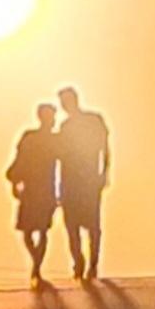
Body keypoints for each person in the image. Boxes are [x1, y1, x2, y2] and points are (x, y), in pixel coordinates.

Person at [57, 86, 110, 281]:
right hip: (70, 180)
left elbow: (105, 147)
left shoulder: (94, 120)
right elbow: (60, 158)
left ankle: (93, 264)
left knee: (93, 225)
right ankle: (78, 262)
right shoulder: (65, 126)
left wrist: (104, 172)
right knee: (72, 225)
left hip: (88, 179)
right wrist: (58, 185)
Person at [6, 101, 59, 285]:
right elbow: (19, 160)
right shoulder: (29, 137)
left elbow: (67, 165)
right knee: (27, 231)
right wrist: (14, 182)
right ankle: (36, 261)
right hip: (31, 188)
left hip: (46, 190)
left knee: (43, 230)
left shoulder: (55, 140)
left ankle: (37, 267)